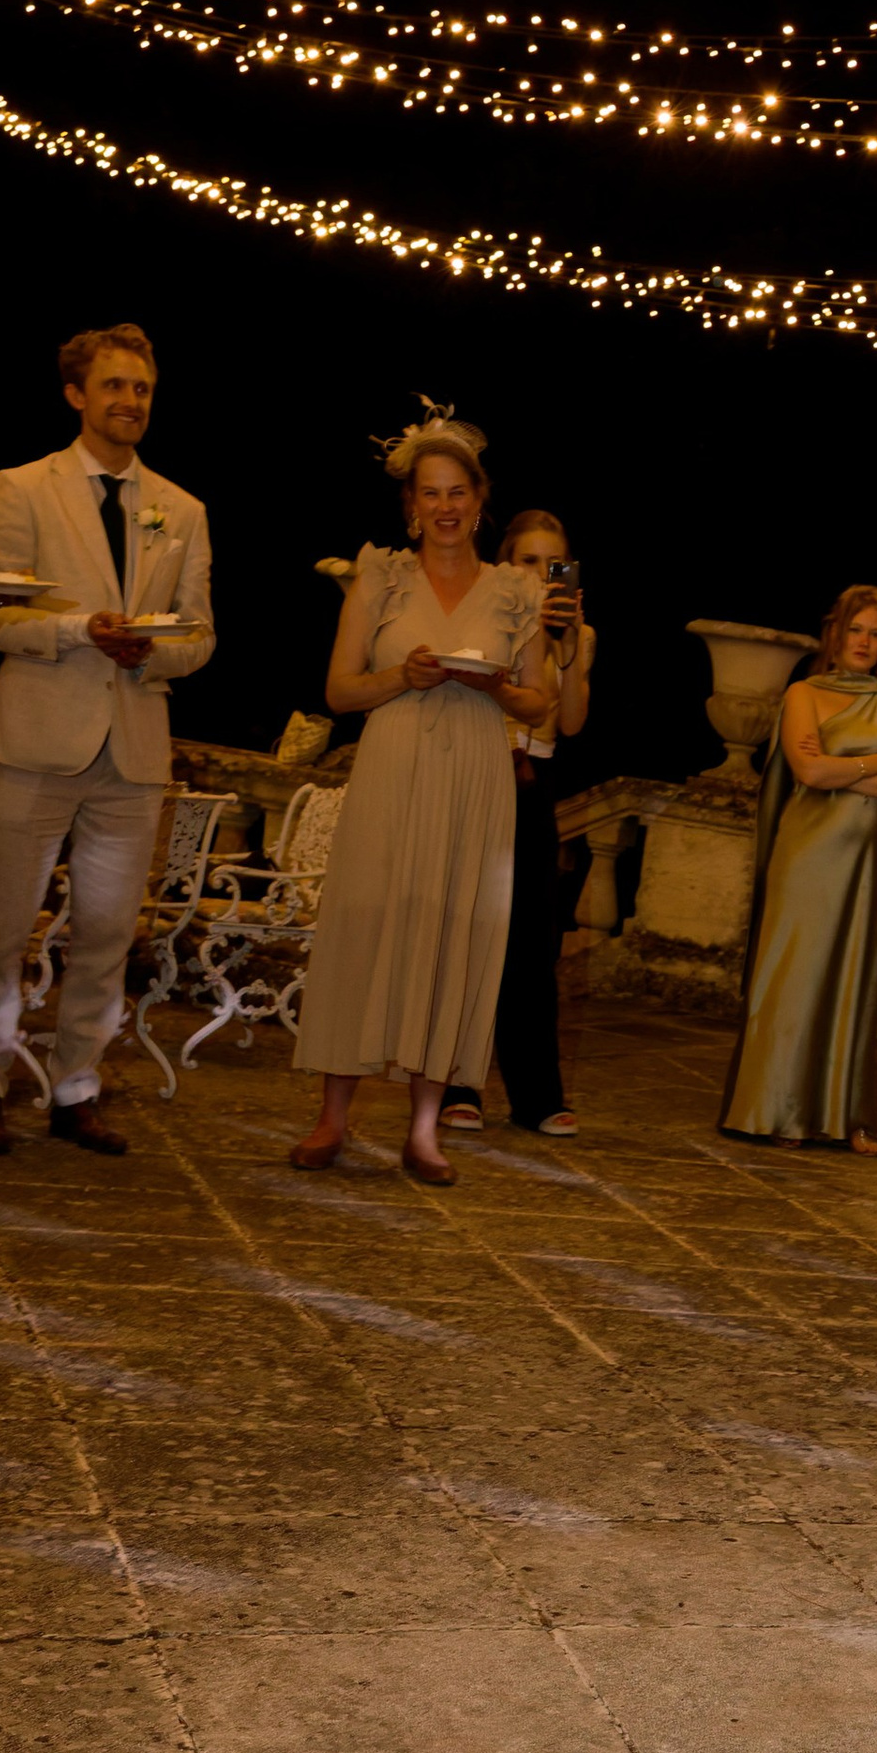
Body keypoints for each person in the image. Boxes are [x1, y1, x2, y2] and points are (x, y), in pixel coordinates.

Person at [0, 324, 215, 1158]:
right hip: (38, 739)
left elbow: (201, 636)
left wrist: (152, 649)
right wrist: (76, 629)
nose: (129, 402)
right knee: (0, 927)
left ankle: (76, 1089)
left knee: (106, 934)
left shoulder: (181, 508)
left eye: (141, 389)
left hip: (133, 745)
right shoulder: (20, 487)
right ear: (76, 395)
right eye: (114, 387)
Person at [291, 415, 553, 1186]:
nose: (444, 507)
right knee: (365, 921)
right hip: (394, 758)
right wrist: (396, 678)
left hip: (476, 769)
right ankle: (331, 1118)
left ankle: (427, 1128)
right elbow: (338, 690)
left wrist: (499, 684)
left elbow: (539, 703)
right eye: (429, 494)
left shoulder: (517, 591)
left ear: (481, 500)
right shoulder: (380, 576)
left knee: (454, 930)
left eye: (458, 492)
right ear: (411, 503)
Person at [718, 584, 877, 1154]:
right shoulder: (804, 693)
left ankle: (841, 1116)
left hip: (865, 864)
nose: (864, 641)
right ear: (835, 634)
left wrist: (844, 767)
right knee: (795, 978)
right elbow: (808, 773)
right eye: (855, 629)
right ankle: (778, 1109)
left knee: (854, 981)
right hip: (806, 856)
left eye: (875, 632)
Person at [440, 508, 596, 1136]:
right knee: (468, 935)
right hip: (479, 776)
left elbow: (575, 722)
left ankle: (537, 1095)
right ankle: (458, 1085)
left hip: (536, 783)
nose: (539, 574)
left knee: (533, 943)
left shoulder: (576, 636)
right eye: (528, 560)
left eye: (552, 563)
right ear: (505, 563)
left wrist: (571, 649)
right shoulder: (483, 618)